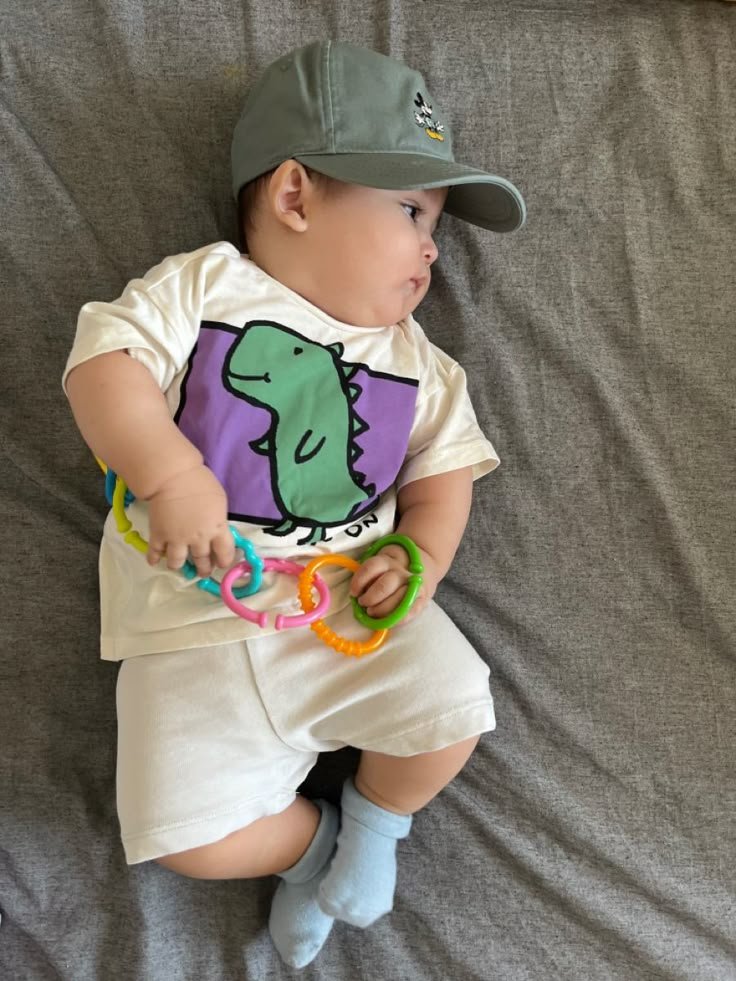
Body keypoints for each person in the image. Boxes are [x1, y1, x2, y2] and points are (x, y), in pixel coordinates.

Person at [63, 40, 525, 969]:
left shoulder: (419, 361)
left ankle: (374, 824)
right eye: (410, 209)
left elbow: (444, 473)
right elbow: (101, 367)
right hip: (188, 630)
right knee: (185, 838)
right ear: (294, 196)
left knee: (457, 711)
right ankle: (311, 846)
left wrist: (421, 561)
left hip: (347, 606)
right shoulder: (205, 287)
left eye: (435, 221)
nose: (433, 245)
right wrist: (174, 477)